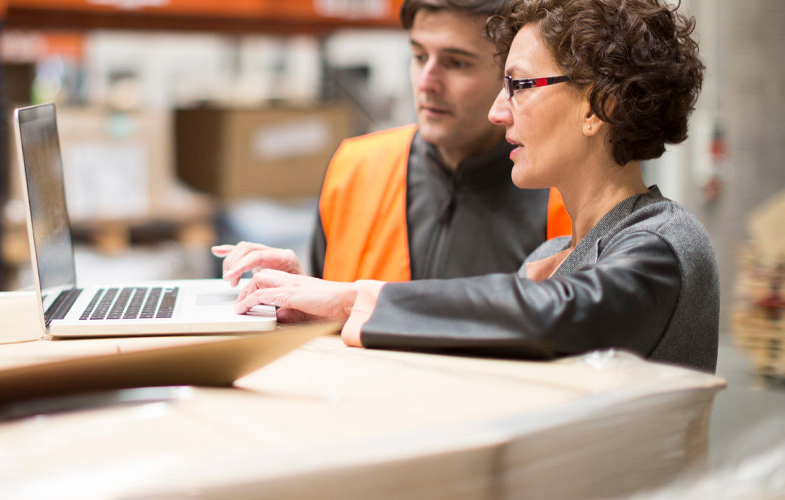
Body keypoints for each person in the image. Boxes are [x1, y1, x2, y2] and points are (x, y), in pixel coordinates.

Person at [230, 0, 720, 373]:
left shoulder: (665, 243)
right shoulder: (552, 256)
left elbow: (560, 314)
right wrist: (319, 305)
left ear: (598, 108)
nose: (497, 110)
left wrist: (349, 298)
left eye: (519, 86)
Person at [214, 0, 571, 289]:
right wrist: (302, 293)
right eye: (419, 56)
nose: (427, 81)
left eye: (456, 63)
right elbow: (336, 320)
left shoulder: (561, 195)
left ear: (510, 77)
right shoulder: (356, 168)